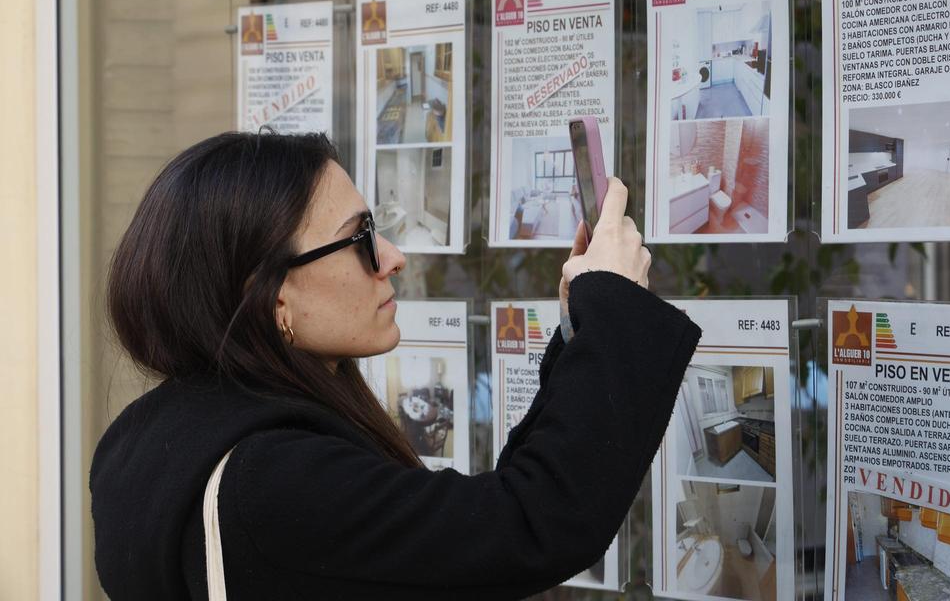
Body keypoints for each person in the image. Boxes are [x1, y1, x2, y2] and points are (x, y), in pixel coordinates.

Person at [90, 131, 701, 600]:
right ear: (274, 295)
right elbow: (528, 526)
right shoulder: (270, 481)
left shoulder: (145, 441)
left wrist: (582, 329)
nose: (393, 257)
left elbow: (486, 525)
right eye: (360, 238)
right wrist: (618, 309)